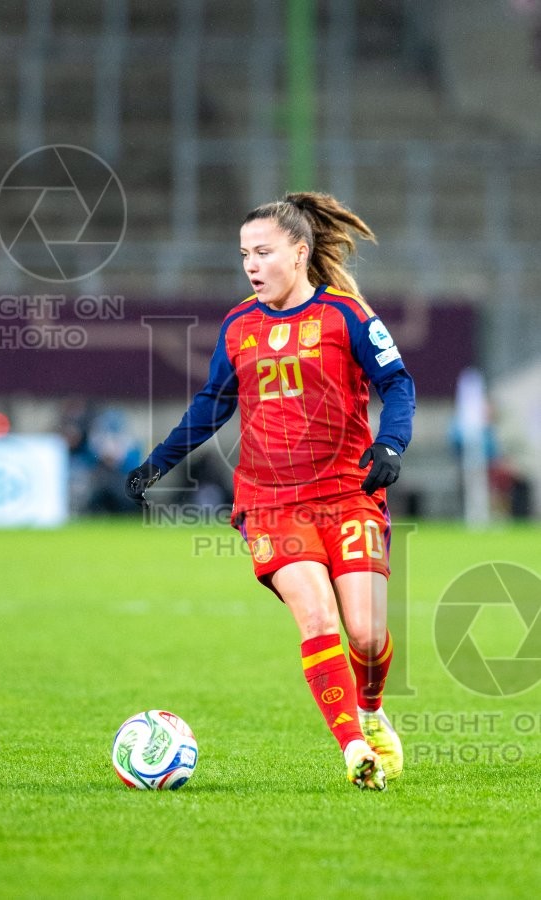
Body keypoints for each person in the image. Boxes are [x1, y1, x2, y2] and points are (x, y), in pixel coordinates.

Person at [126, 192, 416, 792]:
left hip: (347, 493)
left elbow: (398, 382)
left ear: (300, 253)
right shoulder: (239, 326)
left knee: (364, 633)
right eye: (243, 255)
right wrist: (158, 463)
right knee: (315, 615)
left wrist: (389, 445)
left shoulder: (347, 317)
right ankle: (353, 748)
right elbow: (212, 404)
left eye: (262, 252)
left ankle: (370, 707)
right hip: (270, 501)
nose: (251, 265)